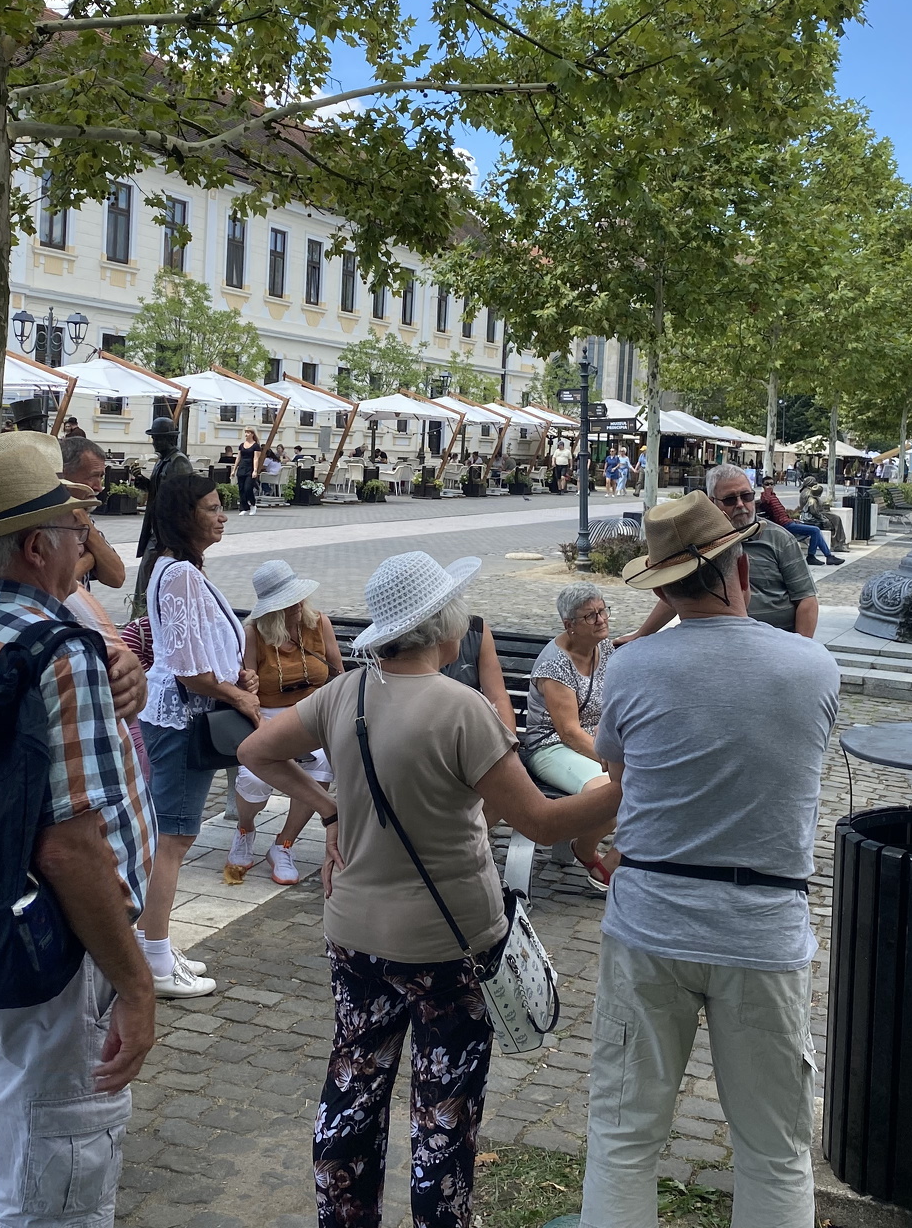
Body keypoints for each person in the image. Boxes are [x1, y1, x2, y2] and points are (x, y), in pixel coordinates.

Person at [237, 550, 620, 1228]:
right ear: (443, 624)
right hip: (450, 941)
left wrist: (329, 809)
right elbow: (538, 820)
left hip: (354, 932)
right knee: (444, 1111)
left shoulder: (345, 693)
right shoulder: (462, 709)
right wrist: (630, 786)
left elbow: (255, 750)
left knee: (354, 1087)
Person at [0, 436, 156, 1228]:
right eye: (76, 528)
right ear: (35, 546)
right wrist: (136, 985)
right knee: (50, 1203)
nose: (86, 543)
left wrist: (114, 668)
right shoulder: (56, 653)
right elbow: (68, 846)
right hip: (44, 957)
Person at [580, 493, 838, 1228]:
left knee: (623, 1138)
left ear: (662, 590)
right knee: (775, 1150)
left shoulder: (631, 667)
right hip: (764, 926)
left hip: (650, 918)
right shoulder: (813, 667)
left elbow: (621, 777)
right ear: (743, 570)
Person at [136, 473, 252, 998]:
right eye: (211, 507)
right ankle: (155, 958)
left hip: (181, 715)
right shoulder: (179, 572)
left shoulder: (176, 568)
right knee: (174, 837)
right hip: (182, 719)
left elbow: (201, 652)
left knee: (170, 835)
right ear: (184, 517)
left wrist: (236, 678)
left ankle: (152, 944)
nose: (222, 515)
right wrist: (237, 696)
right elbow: (188, 669)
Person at [227, 559, 345, 884]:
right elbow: (248, 690)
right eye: (287, 602)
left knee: (321, 764)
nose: (297, 605)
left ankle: (284, 844)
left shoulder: (319, 623)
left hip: (312, 712)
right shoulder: (254, 633)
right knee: (253, 777)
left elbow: (338, 674)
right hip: (267, 715)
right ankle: (245, 829)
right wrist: (247, 684)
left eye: (297, 597)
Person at [625, 464, 817, 645]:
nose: (740, 504)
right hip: (717, 642)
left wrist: (799, 650)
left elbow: (806, 599)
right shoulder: (703, 543)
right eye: (730, 499)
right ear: (711, 503)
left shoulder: (779, 538)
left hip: (776, 642)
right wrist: (641, 634)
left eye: (747, 496)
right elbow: (680, 591)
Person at [521, 582, 619, 890]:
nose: (601, 620)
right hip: (550, 747)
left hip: (593, 740)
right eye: (590, 616)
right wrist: (611, 756)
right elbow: (569, 733)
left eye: (602, 611)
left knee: (646, 781)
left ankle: (605, 855)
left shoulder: (604, 647)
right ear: (569, 625)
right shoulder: (555, 664)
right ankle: (588, 851)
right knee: (614, 793)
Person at [130, 414, 195, 610]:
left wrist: (172, 534)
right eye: (153, 438)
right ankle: (141, 615)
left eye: (157, 438)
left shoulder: (179, 462)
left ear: (170, 439)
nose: (154, 442)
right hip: (156, 527)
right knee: (147, 571)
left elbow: (181, 498)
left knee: (151, 570)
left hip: (166, 531)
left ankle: (142, 614)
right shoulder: (163, 460)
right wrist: (144, 483)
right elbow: (160, 490)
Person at [58, 434, 127, 592]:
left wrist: (84, 521)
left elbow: (117, 577)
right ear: (64, 474)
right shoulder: (45, 522)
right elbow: (57, 587)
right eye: (93, 476)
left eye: (101, 477)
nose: (99, 487)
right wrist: (89, 560)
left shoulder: (84, 518)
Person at [438, 608, 519, 737]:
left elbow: (497, 697)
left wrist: (509, 742)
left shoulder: (475, 629)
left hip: (469, 730)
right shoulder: (412, 639)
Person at [757, 480, 842, 565]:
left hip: (789, 522)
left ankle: (828, 557)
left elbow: (781, 514)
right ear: (763, 485)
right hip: (785, 525)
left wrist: (792, 519)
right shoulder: (766, 496)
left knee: (816, 531)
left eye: (772, 484)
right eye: (767, 484)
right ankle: (813, 557)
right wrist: (767, 490)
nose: (770, 486)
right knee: (815, 530)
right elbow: (766, 500)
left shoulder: (773, 496)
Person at [234, 427, 261, 516]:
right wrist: (234, 469)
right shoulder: (242, 445)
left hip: (250, 468)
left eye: (248, 432)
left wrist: (255, 470)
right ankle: (244, 507)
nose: (246, 434)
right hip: (242, 468)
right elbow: (238, 458)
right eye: (245, 432)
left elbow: (256, 458)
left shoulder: (256, 446)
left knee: (248, 488)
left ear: (252, 434)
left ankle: (253, 504)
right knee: (241, 489)